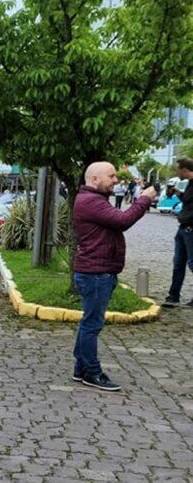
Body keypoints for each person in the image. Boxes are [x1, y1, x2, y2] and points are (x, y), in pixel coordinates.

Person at [72, 162, 155, 391]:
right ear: (95, 179)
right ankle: (92, 372)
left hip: (98, 272)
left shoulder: (93, 199)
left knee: (88, 322)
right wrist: (144, 199)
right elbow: (123, 221)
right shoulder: (91, 201)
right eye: (111, 176)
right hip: (96, 274)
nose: (116, 180)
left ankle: (81, 368)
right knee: (92, 324)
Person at [163, 159, 193, 307]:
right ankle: (173, 295)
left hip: (190, 229)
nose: (176, 172)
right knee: (178, 263)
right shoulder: (189, 184)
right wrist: (177, 193)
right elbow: (188, 201)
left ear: (184, 169)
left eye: (178, 170)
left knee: (192, 263)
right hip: (183, 228)